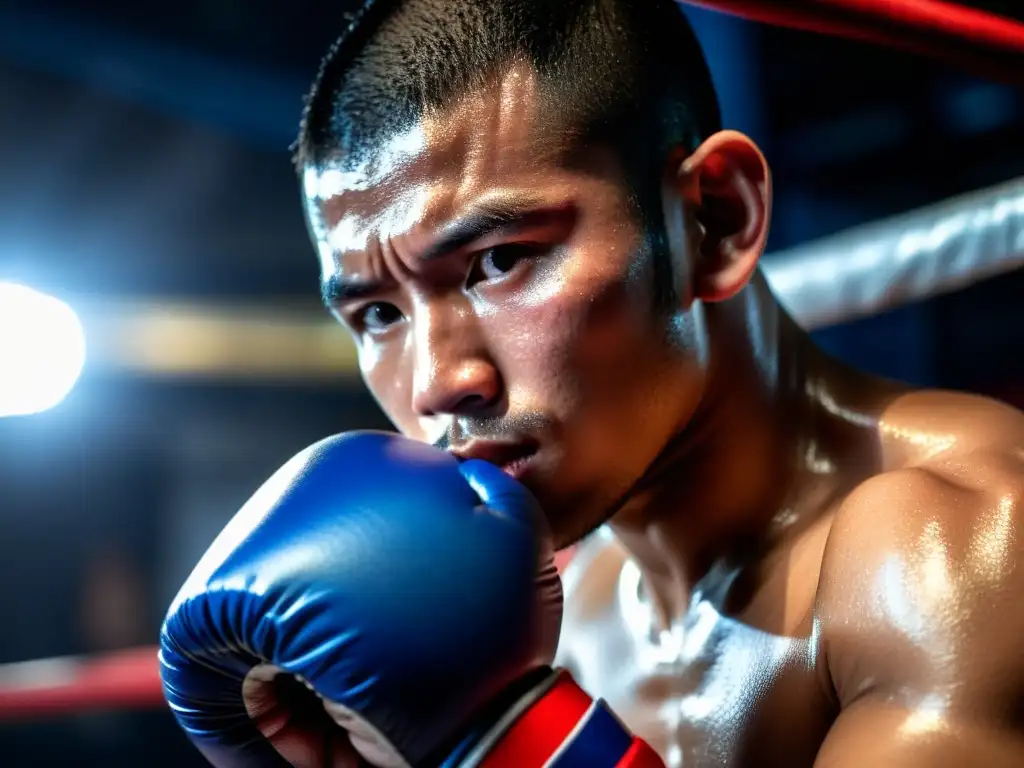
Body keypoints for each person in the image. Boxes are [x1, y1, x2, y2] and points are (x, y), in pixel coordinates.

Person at [160, 1, 1024, 766]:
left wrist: (515, 746)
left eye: (499, 262)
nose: (437, 383)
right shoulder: (567, 608)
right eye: (379, 315)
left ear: (714, 220)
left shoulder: (951, 552)